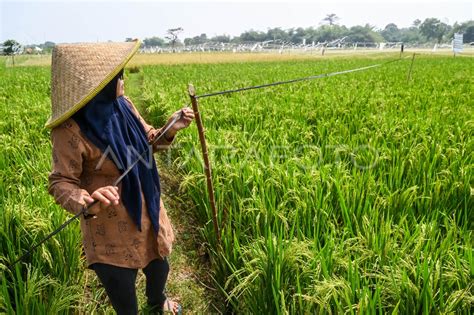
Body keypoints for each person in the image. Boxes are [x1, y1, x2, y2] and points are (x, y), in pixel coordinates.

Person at [46, 40, 194, 314]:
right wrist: (87, 200)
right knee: (123, 291)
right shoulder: (69, 130)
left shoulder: (123, 105)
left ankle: (157, 300)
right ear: (98, 86)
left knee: (159, 263)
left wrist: (170, 129)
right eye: (118, 75)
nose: (123, 79)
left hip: (148, 204)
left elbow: (150, 143)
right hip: (110, 224)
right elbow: (60, 181)